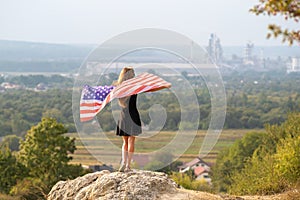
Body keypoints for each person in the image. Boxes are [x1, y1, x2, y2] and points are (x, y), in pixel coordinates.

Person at [115, 67, 142, 172]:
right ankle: (128, 166)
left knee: (125, 142)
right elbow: (149, 87)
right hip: (133, 114)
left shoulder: (119, 87)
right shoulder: (135, 87)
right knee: (131, 141)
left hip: (123, 115)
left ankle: (123, 162)